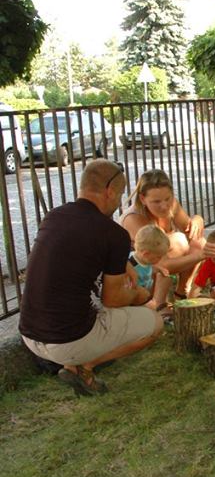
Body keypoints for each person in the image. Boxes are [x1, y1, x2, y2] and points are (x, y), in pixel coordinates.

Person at [19, 160, 164, 396]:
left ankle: (75, 362)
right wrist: (140, 295)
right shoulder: (113, 233)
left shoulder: (54, 216)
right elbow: (113, 300)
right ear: (110, 191)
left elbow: (78, 253)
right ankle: (83, 367)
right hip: (68, 341)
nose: (119, 202)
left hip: (29, 335)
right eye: (120, 194)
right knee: (155, 323)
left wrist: (124, 262)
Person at [120, 169, 214, 300]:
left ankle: (182, 293)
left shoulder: (172, 205)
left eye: (167, 199)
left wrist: (198, 219)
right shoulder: (133, 218)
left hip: (159, 261)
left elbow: (191, 231)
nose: (164, 206)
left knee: (198, 241)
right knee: (180, 241)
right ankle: (157, 302)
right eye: (156, 202)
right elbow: (161, 263)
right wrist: (200, 256)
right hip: (139, 272)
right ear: (142, 199)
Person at [128, 225, 171, 310]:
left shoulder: (144, 260)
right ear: (146, 254)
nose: (160, 259)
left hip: (145, 295)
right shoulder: (131, 265)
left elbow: (148, 265)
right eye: (158, 257)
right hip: (133, 301)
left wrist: (158, 268)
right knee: (152, 308)